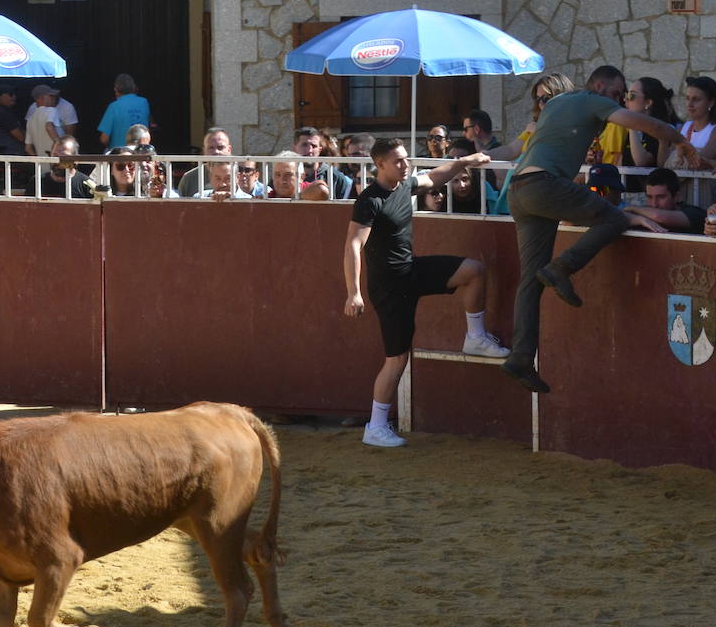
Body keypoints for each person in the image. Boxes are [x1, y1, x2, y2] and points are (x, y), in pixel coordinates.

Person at [501, 65, 694, 393]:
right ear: (602, 86)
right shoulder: (592, 99)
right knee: (616, 218)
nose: (620, 101)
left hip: (518, 190)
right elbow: (645, 123)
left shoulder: (559, 102)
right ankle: (563, 266)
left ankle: (521, 356)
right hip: (544, 185)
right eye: (618, 94)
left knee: (530, 280)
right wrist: (681, 142)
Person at [342, 138, 509, 448]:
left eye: (407, 159)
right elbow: (353, 244)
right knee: (397, 360)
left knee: (473, 271)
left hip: (411, 272)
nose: (406, 165)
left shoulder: (405, 184)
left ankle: (475, 338)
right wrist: (354, 293)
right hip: (389, 289)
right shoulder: (370, 200)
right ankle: (375, 427)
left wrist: (464, 162)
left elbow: (435, 176)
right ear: (380, 165)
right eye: (398, 161)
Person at [661, 76, 716, 206]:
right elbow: (663, 165)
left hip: (711, 197)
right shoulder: (683, 127)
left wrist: (679, 154)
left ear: (711, 102)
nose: (690, 104)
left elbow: (699, 161)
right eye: (688, 98)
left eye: (696, 99)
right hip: (682, 194)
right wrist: (662, 141)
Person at [486, 72, 577, 163]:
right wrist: (484, 155)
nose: (540, 103)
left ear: (561, 98)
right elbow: (511, 150)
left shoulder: (575, 126)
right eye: (537, 99)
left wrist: (540, 133)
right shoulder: (536, 125)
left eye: (545, 98)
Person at [617, 77, 678, 191]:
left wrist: (632, 126)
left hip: (648, 196)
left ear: (648, 103)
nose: (625, 100)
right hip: (627, 193)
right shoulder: (634, 129)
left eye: (631, 96)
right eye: (626, 95)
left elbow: (641, 161)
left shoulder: (661, 129)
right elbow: (621, 163)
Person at [622, 167, 706, 233]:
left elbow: (659, 217)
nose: (654, 204)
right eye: (649, 197)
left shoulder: (694, 213)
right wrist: (639, 219)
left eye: (661, 197)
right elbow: (618, 216)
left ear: (676, 196)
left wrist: (633, 208)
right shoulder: (645, 212)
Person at [293, 126, 352, 199]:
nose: (310, 150)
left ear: (319, 150)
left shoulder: (336, 177)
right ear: (294, 148)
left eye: (314, 146)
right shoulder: (287, 175)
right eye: (304, 145)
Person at [97, 73, 150, 149]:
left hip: (119, 157)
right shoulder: (144, 102)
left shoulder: (114, 106)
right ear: (133, 88)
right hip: (141, 153)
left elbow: (104, 139)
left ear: (116, 89)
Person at [178, 127, 233, 197]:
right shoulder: (189, 178)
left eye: (220, 147)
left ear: (229, 149)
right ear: (204, 151)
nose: (216, 152)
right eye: (211, 148)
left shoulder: (241, 174)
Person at [24, 84, 63, 157]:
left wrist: (38, 160)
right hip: (57, 160)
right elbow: (49, 127)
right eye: (50, 96)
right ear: (41, 98)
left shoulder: (30, 119)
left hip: (41, 165)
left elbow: (28, 148)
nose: (53, 98)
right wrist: (60, 145)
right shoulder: (51, 111)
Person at [0, 85, 26, 156]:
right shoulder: (2, 113)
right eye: (10, 94)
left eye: (15, 94)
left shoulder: (5, 111)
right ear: (0, 97)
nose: (14, 97)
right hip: (11, 154)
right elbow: (21, 138)